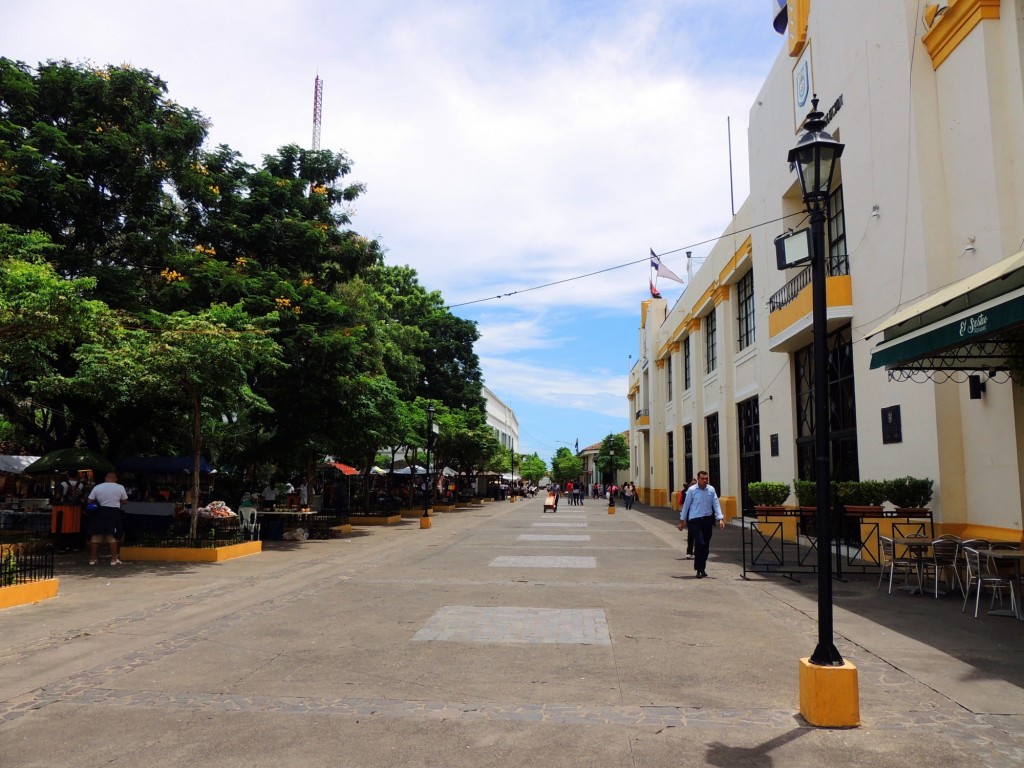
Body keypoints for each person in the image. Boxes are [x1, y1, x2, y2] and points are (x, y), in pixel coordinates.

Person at [678, 471, 724, 578]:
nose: (705, 480)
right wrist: (682, 520)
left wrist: (720, 518)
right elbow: (686, 505)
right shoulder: (692, 490)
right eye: (702, 478)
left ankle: (702, 567)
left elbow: (716, 504)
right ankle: (698, 569)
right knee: (700, 543)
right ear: (698, 479)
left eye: (706, 478)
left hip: (707, 520)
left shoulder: (711, 490)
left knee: (706, 546)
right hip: (695, 520)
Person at [86, 472, 128, 566]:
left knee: (96, 537)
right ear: (116, 479)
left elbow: (89, 500)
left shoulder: (98, 487)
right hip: (113, 513)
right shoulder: (120, 487)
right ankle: (113, 559)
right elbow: (125, 501)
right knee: (112, 537)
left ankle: (93, 559)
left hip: (99, 513)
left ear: (105, 478)